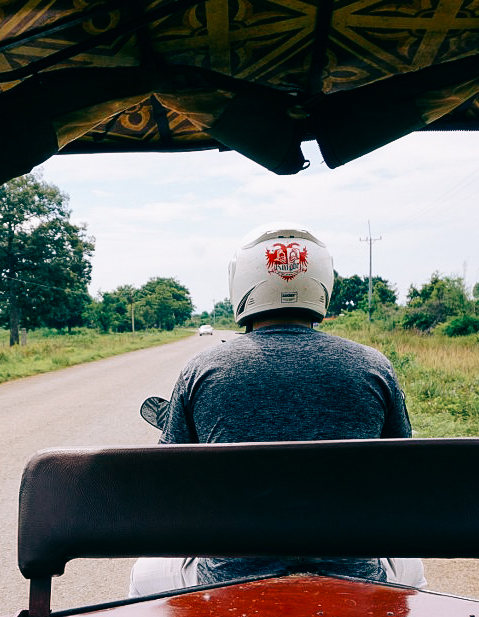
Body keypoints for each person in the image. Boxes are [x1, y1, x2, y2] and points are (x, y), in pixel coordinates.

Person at [129, 222, 419, 595]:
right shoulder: (374, 367)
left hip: (229, 580)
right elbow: (402, 476)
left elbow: (169, 487)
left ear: (242, 284)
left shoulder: (203, 369)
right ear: (322, 284)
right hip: (354, 578)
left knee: (144, 576)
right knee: (414, 570)